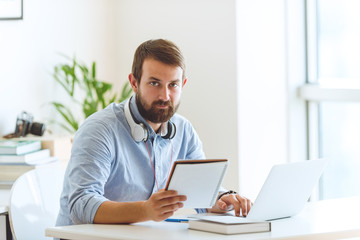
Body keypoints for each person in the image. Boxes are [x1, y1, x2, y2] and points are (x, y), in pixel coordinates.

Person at [56, 39, 252, 226]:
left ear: (182, 85)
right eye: (154, 83)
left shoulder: (184, 131)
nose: (165, 96)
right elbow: (80, 205)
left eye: (173, 85)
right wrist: (144, 210)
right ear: (134, 83)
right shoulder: (100, 130)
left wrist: (221, 199)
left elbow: (201, 193)